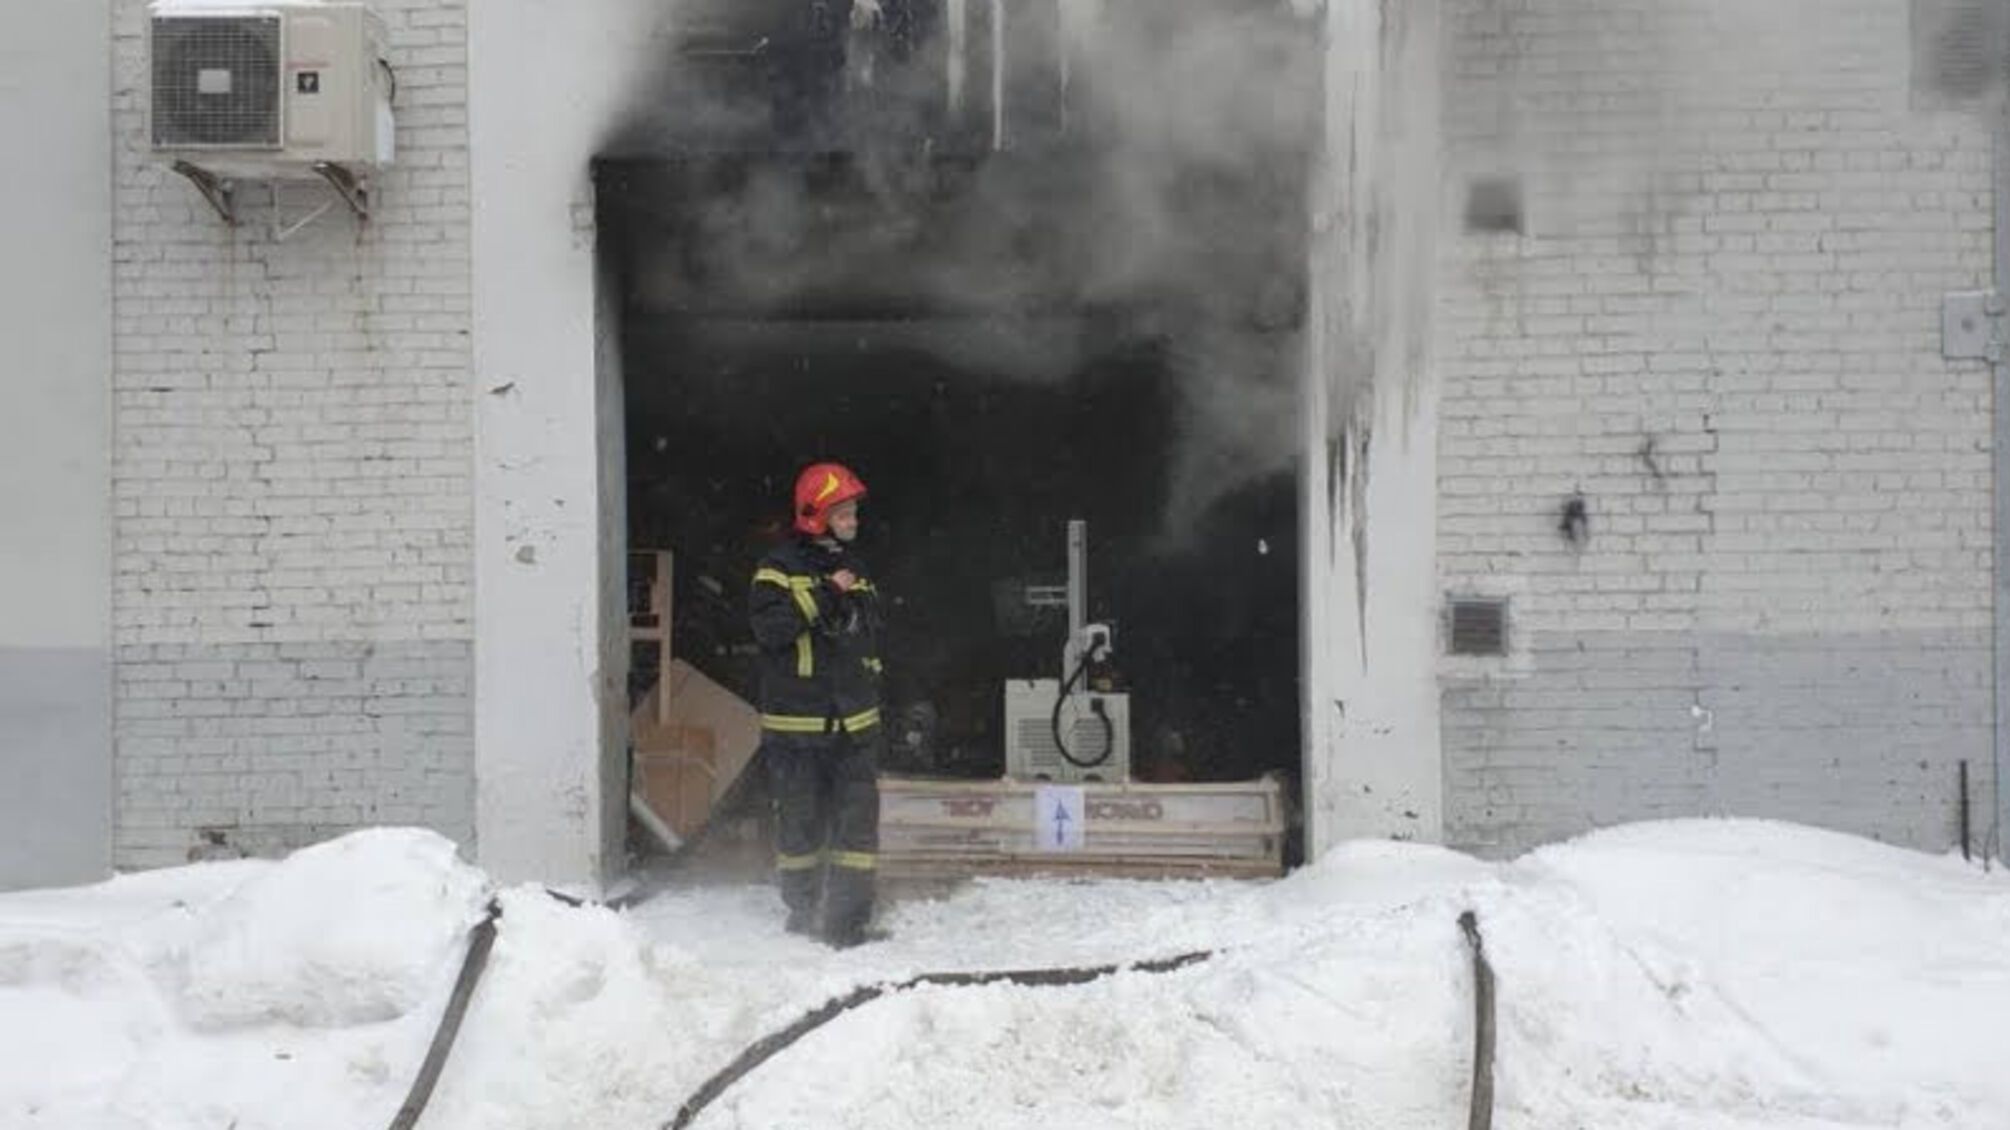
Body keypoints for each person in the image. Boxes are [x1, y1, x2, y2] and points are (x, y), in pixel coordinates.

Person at [748, 461, 887, 948]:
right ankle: (803, 912)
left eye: (852, 513)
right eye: (844, 513)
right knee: (801, 821)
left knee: (856, 824)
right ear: (816, 515)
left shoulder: (858, 569)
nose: (853, 522)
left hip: (854, 721)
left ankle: (848, 921)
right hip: (798, 723)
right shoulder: (777, 568)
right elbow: (771, 630)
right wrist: (828, 594)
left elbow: (868, 635)